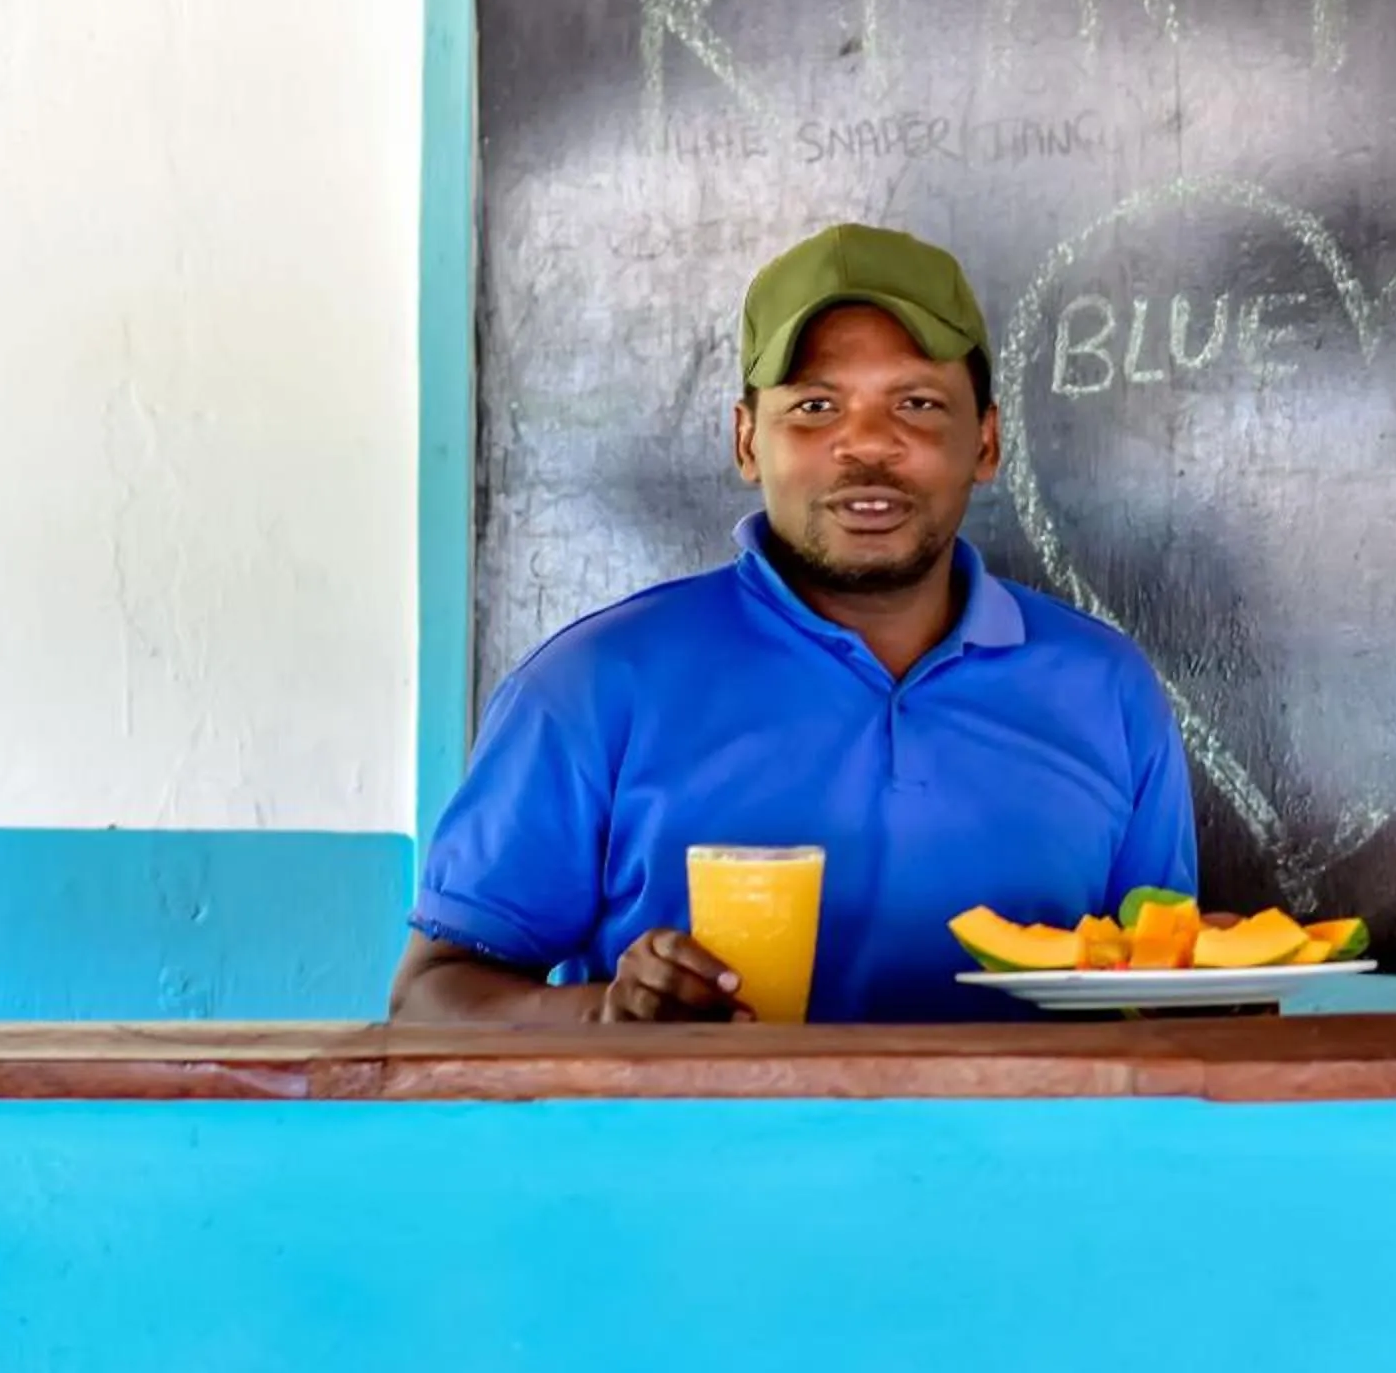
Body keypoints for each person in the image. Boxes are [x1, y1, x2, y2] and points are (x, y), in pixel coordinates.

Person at [389, 222, 1195, 1022]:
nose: (867, 445)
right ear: (748, 441)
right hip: (705, 1155)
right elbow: (429, 997)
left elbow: (1164, 994)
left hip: (1032, 1155)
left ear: (985, 442)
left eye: (916, 403)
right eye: (814, 407)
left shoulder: (1106, 690)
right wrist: (604, 1016)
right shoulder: (594, 686)